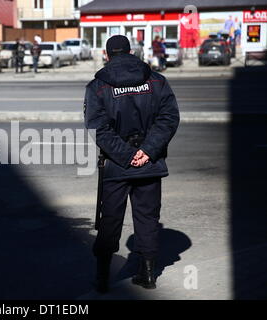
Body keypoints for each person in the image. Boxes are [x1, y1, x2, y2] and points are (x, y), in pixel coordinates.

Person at [83, 35, 180, 293]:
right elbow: (169, 118)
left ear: (107, 55)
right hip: (150, 162)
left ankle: (103, 278)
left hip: (116, 165)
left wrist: (126, 155)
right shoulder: (156, 80)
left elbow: (98, 129)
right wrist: (147, 151)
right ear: (131, 52)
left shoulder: (98, 86)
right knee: (148, 217)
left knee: (110, 220)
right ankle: (147, 275)